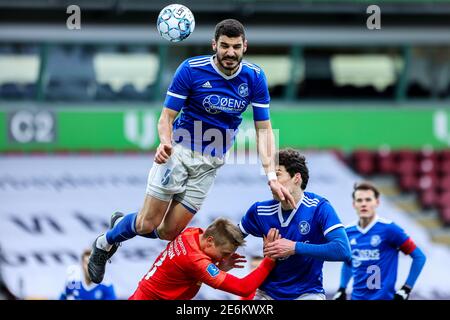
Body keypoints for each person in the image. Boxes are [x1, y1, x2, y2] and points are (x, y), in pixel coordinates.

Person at [88, 18, 295, 284]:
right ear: (214, 45)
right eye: (224, 46)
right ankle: (104, 243)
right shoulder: (191, 69)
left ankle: (122, 223)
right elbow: (166, 117)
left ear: (245, 46)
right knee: (146, 225)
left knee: (168, 232)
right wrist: (165, 141)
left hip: (211, 162)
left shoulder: (255, 77)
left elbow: (264, 130)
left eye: (235, 46)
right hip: (180, 153)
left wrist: (271, 176)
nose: (230, 52)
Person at [239, 148, 352, 300]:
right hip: (267, 293)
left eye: (277, 174)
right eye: (270, 176)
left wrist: (294, 247)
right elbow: (231, 237)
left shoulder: (318, 207)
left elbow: (343, 250)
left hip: (307, 293)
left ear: (296, 178)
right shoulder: (260, 210)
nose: (271, 182)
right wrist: (221, 258)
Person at [128, 218, 278, 300]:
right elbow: (243, 288)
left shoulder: (192, 233)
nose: (227, 257)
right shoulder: (196, 261)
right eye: (225, 253)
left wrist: (218, 266)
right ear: (210, 241)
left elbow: (189, 272)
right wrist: (270, 259)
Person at [333, 182, 426, 300]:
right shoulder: (348, 232)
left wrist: (406, 288)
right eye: (359, 200)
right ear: (354, 204)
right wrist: (342, 288)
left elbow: (419, 257)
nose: (363, 204)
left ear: (377, 202)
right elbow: (349, 263)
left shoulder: (390, 229)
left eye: (368, 200)